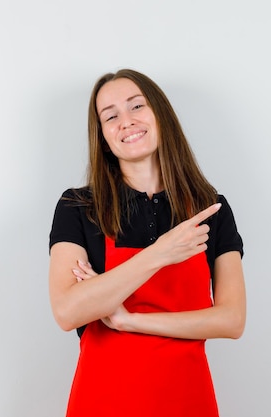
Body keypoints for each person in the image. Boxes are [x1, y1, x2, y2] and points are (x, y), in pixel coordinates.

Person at [48, 69, 246, 417]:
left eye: (136, 106)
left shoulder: (209, 208)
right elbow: (68, 311)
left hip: (187, 401)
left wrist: (130, 321)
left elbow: (231, 320)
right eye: (110, 116)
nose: (126, 121)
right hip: (104, 402)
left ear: (160, 114)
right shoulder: (79, 207)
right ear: (103, 136)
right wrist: (160, 253)